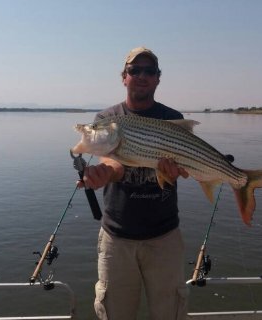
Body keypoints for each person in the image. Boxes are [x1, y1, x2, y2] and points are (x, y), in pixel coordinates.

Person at [78, 47, 189, 320]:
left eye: (149, 71)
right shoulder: (106, 120)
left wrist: (175, 172)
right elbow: (112, 163)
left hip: (164, 238)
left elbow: (185, 167)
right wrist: (103, 173)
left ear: (158, 78)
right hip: (117, 239)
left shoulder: (172, 118)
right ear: (124, 77)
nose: (142, 75)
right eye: (134, 70)